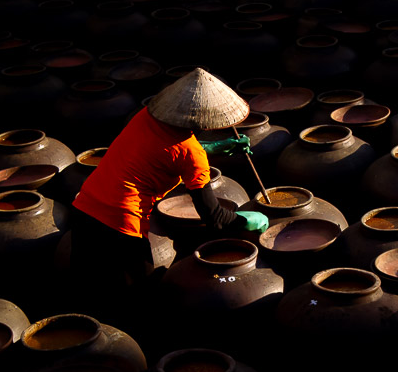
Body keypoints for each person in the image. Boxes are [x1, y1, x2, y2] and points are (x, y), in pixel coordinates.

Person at [69, 68, 269, 304]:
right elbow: (214, 218)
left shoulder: (145, 116)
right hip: (122, 224)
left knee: (86, 291)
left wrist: (215, 147)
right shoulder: (192, 154)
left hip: (84, 207)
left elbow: (169, 149)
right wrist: (246, 219)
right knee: (136, 297)